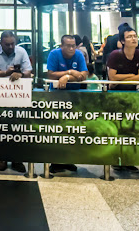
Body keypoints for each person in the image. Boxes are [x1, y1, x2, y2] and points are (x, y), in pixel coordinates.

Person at [0, 31, 32, 174]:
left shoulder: (21, 51)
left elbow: (28, 71)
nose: (11, 46)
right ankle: (2, 158)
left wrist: (21, 74)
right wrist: (6, 73)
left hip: (17, 96)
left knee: (17, 128)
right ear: (1, 43)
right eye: (7, 44)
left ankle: (17, 159)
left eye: (13, 43)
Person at [45, 34, 87, 174]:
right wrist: (70, 71)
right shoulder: (54, 54)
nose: (71, 48)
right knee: (56, 130)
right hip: (56, 96)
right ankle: (55, 162)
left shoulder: (79, 55)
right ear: (61, 46)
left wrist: (67, 77)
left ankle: (69, 159)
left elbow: (83, 76)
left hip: (74, 96)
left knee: (71, 130)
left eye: (73, 45)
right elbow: (50, 75)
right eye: (68, 46)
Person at [107, 27, 139, 91]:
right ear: (122, 41)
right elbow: (112, 77)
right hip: (115, 90)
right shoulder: (115, 55)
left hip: (135, 90)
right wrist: (131, 75)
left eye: (135, 36)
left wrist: (119, 80)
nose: (133, 39)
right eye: (129, 37)